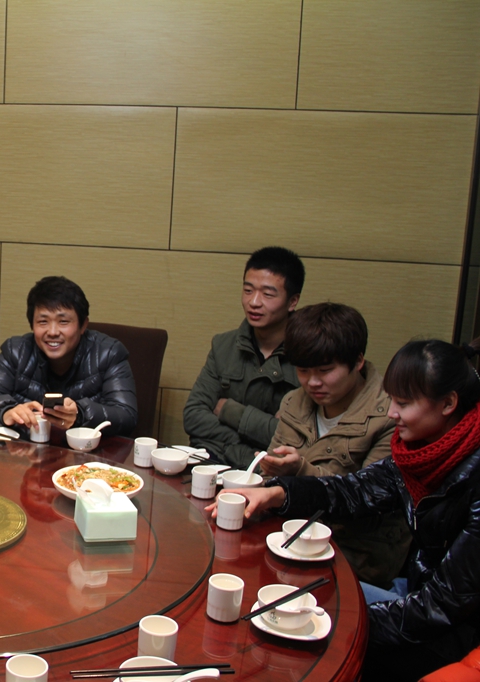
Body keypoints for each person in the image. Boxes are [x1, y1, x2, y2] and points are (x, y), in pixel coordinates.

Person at [209, 338, 480, 681]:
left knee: (291, 637)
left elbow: (442, 606)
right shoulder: (423, 453)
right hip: (418, 599)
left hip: (452, 633)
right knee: (281, 601)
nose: (392, 413)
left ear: (449, 403)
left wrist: (336, 624)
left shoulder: (467, 474)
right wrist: (277, 493)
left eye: (404, 403)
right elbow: (353, 490)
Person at [258, 303, 411, 587]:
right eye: (303, 371)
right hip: (290, 539)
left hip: (354, 557)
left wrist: (300, 470)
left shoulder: (390, 415)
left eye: (325, 370)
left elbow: (368, 503)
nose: (312, 382)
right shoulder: (294, 402)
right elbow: (269, 480)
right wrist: (269, 469)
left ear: (358, 361)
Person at [0, 276, 137, 437]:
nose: (52, 332)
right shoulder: (16, 351)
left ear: (83, 325)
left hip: (84, 454)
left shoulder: (108, 353)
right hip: (25, 451)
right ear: (32, 325)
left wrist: (80, 415)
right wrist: (5, 411)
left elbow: (126, 415)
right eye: (43, 322)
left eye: (63, 322)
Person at [183, 246, 305, 468]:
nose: (254, 302)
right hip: (215, 463)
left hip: (269, 472)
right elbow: (193, 416)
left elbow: (296, 438)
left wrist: (229, 411)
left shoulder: (306, 357)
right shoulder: (224, 345)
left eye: (268, 294)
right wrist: (248, 448)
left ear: (292, 301)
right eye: (248, 290)